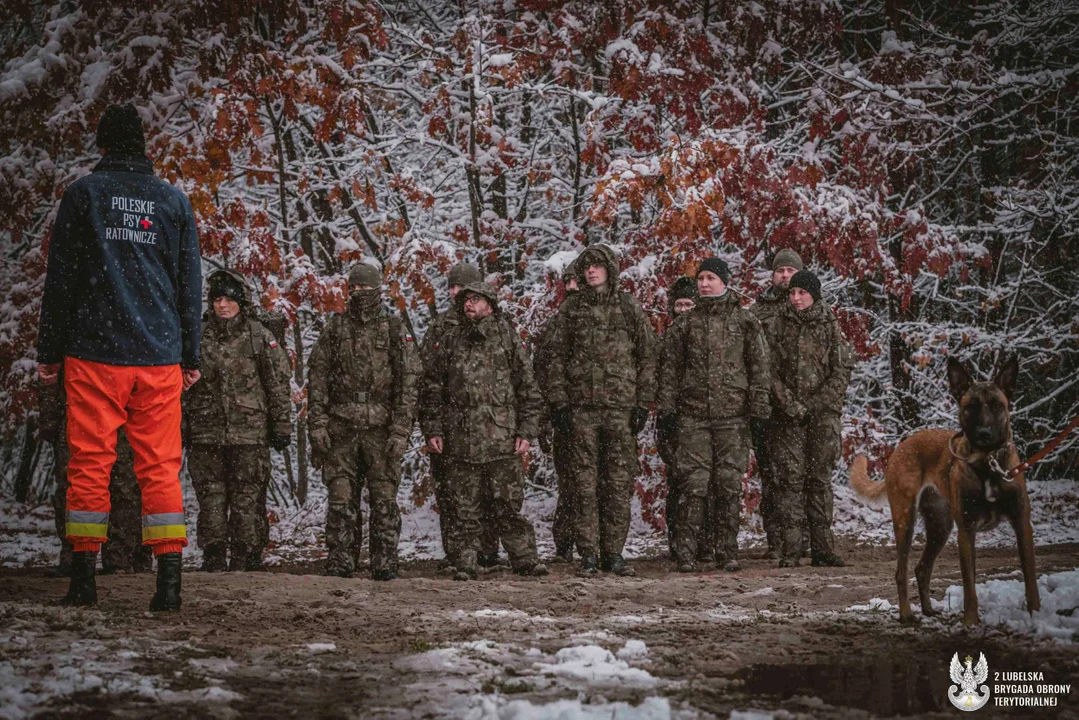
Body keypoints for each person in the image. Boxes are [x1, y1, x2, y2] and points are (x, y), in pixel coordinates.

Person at [36, 103, 202, 610]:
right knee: (160, 467)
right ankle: (168, 587)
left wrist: (49, 351)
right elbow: (188, 287)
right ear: (144, 144)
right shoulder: (173, 202)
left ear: (103, 144)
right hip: (157, 356)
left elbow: (60, 280)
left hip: (94, 353)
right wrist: (190, 355)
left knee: (89, 464)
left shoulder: (85, 195)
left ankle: (84, 580)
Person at [421, 282, 547, 580]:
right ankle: (466, 563)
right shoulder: (451, 339)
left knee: (507, 506)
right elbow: (433, 389)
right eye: (466, 300)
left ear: (489, 305)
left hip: (502, 437)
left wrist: (527, 432)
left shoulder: (507, 338)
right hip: (461, 438)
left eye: (475, 300)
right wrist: (434, 429)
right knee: (465, 508)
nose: (469, 305)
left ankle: (525, 560)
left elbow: (528, 389)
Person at [545, 244, 657, 577]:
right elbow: (554, 359)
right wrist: (560, 404)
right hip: (581, 411)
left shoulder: (628, 307)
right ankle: (588, 554)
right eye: (587, 266)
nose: (592, 271)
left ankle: (613, 553)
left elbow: (648, 357)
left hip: (620, 411)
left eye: (598, 265)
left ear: (610, 269)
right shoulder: (571, 310)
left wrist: (641, 403)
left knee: (618, 483)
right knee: (584, 484)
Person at [657, 259, 771, 572]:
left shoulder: (744, 322)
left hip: (733, 417)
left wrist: (759, 411)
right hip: (692, 417)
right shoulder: (686, 323)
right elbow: (669, 371)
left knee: (728, 484)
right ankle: (688, 553)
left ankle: (727, 552)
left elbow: (760, 369)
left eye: (711, 278)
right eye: (701, 278)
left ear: (724, 281)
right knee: (694, 484)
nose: (705, 284)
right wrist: (666, 410)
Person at [307, 262, 419, 580]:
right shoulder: (336, 328)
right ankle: (342, 556)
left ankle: (384, 558)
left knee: (384, 498)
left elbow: (408, 383)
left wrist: (400, 430)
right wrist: (317, 423)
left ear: (377, 289)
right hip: (341, 427)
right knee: (341, 497)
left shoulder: (394, 328)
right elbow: (317, 378)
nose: (358, 294)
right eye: (353, 289)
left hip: (381, 429)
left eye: (364, 288)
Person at [182, 269, 293, 572]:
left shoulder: (259, 336)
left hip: (250, 434)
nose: (222, 305)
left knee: (248, 497)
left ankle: (247, 555)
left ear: (241, 302)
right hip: (206, 433)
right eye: (217, 299)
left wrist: (282, 426)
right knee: (211, 497)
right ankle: (214, 554)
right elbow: (181, 387)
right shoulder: (197, 336)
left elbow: (278, 385)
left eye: (229, 299)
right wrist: (180, 427)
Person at [765, 270, 851, 568]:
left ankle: (823, 549)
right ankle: (791, 551)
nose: (796, 298)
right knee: (789, 481)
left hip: (822, 417)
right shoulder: (778, 324)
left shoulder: (830, 324)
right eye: (792, 293)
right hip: (788, 418)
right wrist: (790, 405)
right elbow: (769, 370)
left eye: (802, 292)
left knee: (819, 481)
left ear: (814, 294)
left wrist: (815, 405)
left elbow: (841, 372)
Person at [419, 263, 502, 568]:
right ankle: (457, 552)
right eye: (452, 287)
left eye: (462, 288)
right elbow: (428, 380)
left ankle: (488, 550)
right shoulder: (440, 328)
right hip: (450, 424)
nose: (455, 293)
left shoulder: (495, 327)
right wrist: (432, 425)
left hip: (488, 427)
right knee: (450, 492)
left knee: (489, 491)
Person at [39, 377, 151, 576]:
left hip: (125, 419)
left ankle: (120, 559)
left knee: (123, 488)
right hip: (79, 416)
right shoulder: (71, 346)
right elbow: (50, 375)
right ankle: (76, 557)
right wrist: (49, 419)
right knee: (75, 487)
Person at [749, 248, 803, 559]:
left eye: (790, 271)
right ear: (772, 275)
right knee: (772, 476)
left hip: (803, 408)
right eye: (780, 271)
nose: (785, 276)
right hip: (768, 408)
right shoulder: (758, 312)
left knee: (802, 476)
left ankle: (803, 539)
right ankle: (776, 540)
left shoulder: (809, 307)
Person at [533, 257, 581, 563]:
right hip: (567, 418)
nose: (575, 287)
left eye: (579, 281)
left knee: (602, 484)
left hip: (603, 414)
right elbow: (542, 375)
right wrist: (542, 422)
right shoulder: (553, 326)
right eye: (570, 283)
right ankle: (565, 545)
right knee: (572, 485)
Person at [658, 276, 699, 558]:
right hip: (672, 418)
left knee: (698, 483)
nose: (683, 310)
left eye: (689, 304)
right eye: (679, 305)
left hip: (698, 418)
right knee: (676, 481)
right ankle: (676, 540)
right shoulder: (666, 337)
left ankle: (699, 542)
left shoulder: (703, 336)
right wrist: (666, 411)